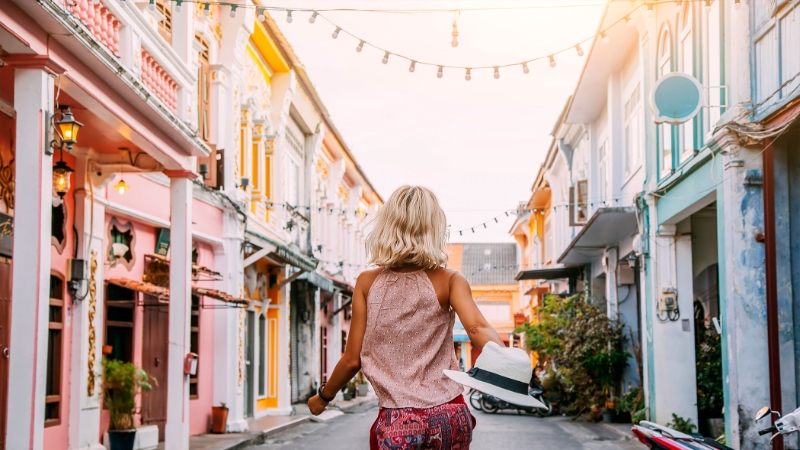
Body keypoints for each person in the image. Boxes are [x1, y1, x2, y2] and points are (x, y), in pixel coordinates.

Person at [307, 185, 508, 450]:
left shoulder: (367, 283)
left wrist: (323, 397)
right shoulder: (450, 280)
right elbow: (476, 327)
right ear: (435, 229)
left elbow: (352, 359)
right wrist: (508, 366)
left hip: (397, 420)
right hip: (449, 414)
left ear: (388, 226)